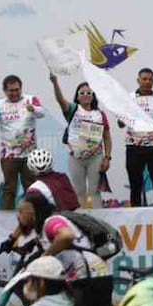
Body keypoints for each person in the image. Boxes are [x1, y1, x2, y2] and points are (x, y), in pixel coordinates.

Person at [32, 191, 114, 306]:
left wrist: (45, 256)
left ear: (36, 212)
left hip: (89, 276)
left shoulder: (52, 221)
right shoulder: (49, 226)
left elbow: (66, 237)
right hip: (93, 273)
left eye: (23, 211)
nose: (19, 216)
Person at [50, 76, 111, 208]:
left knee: (94, 190)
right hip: (76, 158)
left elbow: (107, 136)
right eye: (82, 93)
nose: (85, 95)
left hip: (96, 157)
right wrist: (55, 83)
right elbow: (60, 100)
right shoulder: (72, 109)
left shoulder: (100, 114)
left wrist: (107, 158)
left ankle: (98, 219)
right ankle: (81, 219)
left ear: (93, 96)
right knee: (79, 191)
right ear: (77, 97)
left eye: (89, 93)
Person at [0, 75, 45, 210]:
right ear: (4, 91)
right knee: (9, 188)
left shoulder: (30, 99)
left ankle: (33, 217)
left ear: (21, 88)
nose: (14, 93)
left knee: (31, 188)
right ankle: (5, 219)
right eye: (10, 90)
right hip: (8, 155)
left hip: (29, 155)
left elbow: (42, 113)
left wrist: (34, 109)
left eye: (17, 90)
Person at [122, 68, 153, 207]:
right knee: (135, 185)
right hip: (134, 146)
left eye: (150, 79)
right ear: (138, 80)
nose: (147, 82)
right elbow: (121, 123)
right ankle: (135, 215)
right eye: (144, 79)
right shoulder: (129, 98)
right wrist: (122, 113)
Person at [23, 148, 80, 212]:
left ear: (30, 167)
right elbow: (73, 204)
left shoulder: (32, 186)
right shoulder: (62, 178)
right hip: (67, 216)